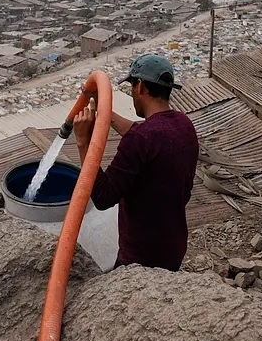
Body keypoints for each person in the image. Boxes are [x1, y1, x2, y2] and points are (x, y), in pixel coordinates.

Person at [72, 54, 199, 271]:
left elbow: (103, 197)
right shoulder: (183, 124)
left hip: (141, 258)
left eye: (132, 86)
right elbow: (144, 135)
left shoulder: (140, 140)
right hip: (173, 246)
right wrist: (104, 113)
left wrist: (84, 142)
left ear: (139, 86)